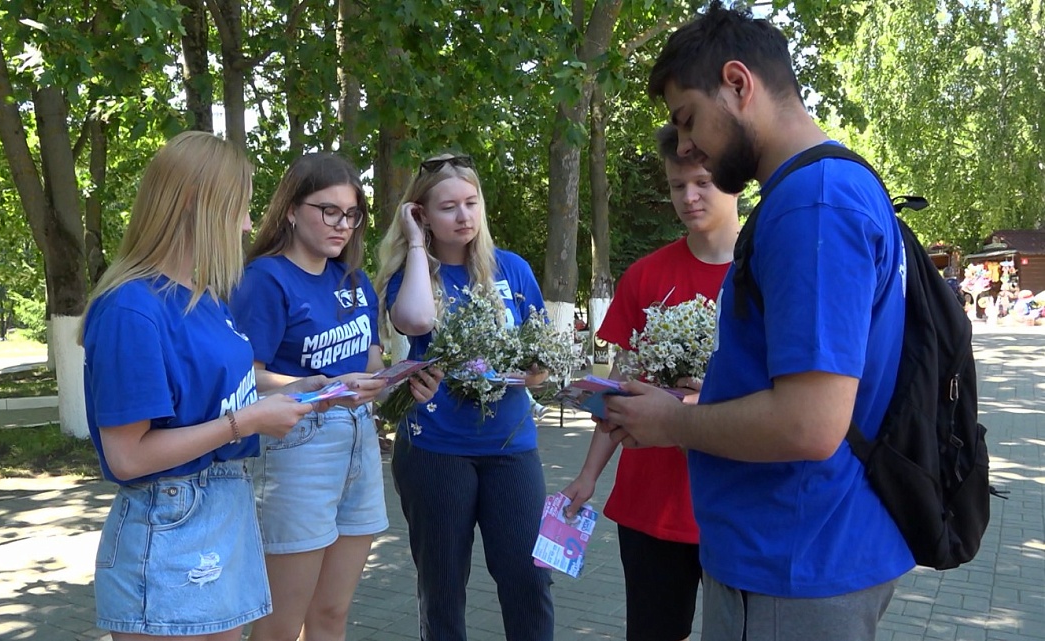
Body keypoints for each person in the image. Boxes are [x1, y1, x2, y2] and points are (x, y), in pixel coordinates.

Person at [600, 3, 913, 640]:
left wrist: (673, 422)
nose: (685, 148)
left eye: (688, 120)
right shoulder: (835, 185)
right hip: (808, 548)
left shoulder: (811, 205)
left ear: (739, 85)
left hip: (792, 561)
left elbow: (809, 423)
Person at [81, 130, 323, 639]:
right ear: (196, 204)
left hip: (221, 510)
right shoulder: (132, 308)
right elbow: (127, 457)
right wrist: (247, 422)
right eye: (239, 208)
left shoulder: (202, 297)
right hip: (170, 519)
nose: (246, 225)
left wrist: (306, 391)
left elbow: (213, 401)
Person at [228, 153, 441, 641]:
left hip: (358, 443)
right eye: (328, 210)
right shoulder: (265, 279)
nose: (341, 224)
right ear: (289, 209)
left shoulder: (353, 280)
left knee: (331, 616)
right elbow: (245, 379)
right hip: (295, 448)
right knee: (281, 623)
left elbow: (368, 368)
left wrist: (400, 382)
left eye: (351, 214)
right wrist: (313, 390)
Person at [561, 123, 739, 641]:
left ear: (733, 180)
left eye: (703, 182)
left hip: (734, 500)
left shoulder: (766, 272)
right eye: (677, 186)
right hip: (651, 502)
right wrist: (588, 475)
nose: (689, 196)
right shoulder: (646, 276)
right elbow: (619, 388)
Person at [375, 153, 555, 641]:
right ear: (423, 214)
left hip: (510, 450)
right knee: (443, 590)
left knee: (530, 579)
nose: (464, 216)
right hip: (436, 450)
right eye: (448, 207)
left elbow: (540, 363)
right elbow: (414, 322)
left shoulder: (513, 271)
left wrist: (534, 372)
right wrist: (415, 244)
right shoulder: (412, 276)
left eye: (471, 203)